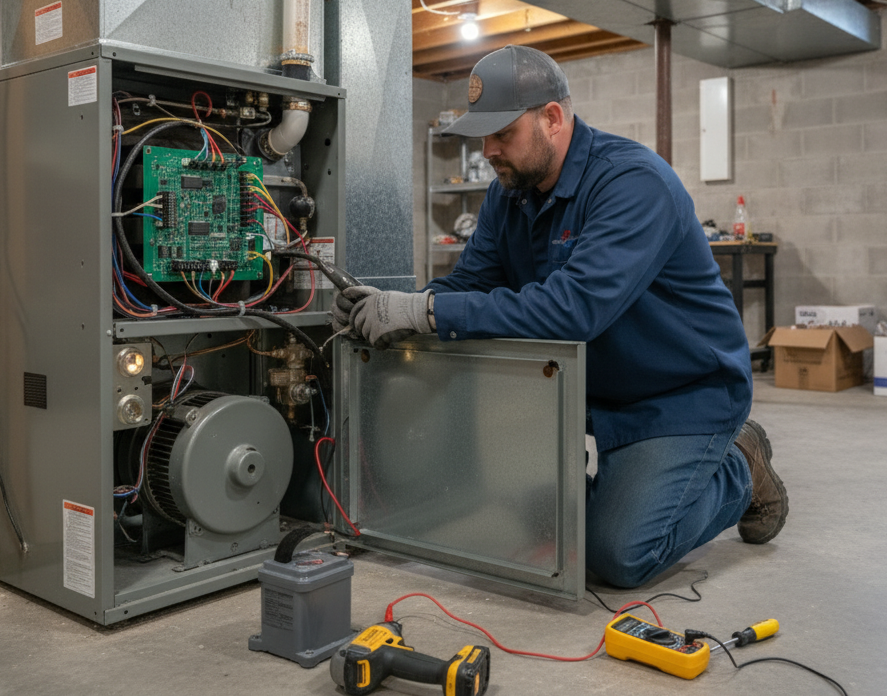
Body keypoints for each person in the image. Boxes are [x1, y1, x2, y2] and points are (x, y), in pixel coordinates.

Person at [331, 45, 787, 588]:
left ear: (553, 117)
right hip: (594, 395)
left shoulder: (633, 184)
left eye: (503, 133)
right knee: (526, 514)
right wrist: (391, 309)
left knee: (617, 553)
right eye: (484, 136)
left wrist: (424, 310)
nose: (489, 149)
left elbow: (573, 311)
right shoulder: (511, 193)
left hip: (682, 396)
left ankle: (740, 463)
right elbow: (470, 283)